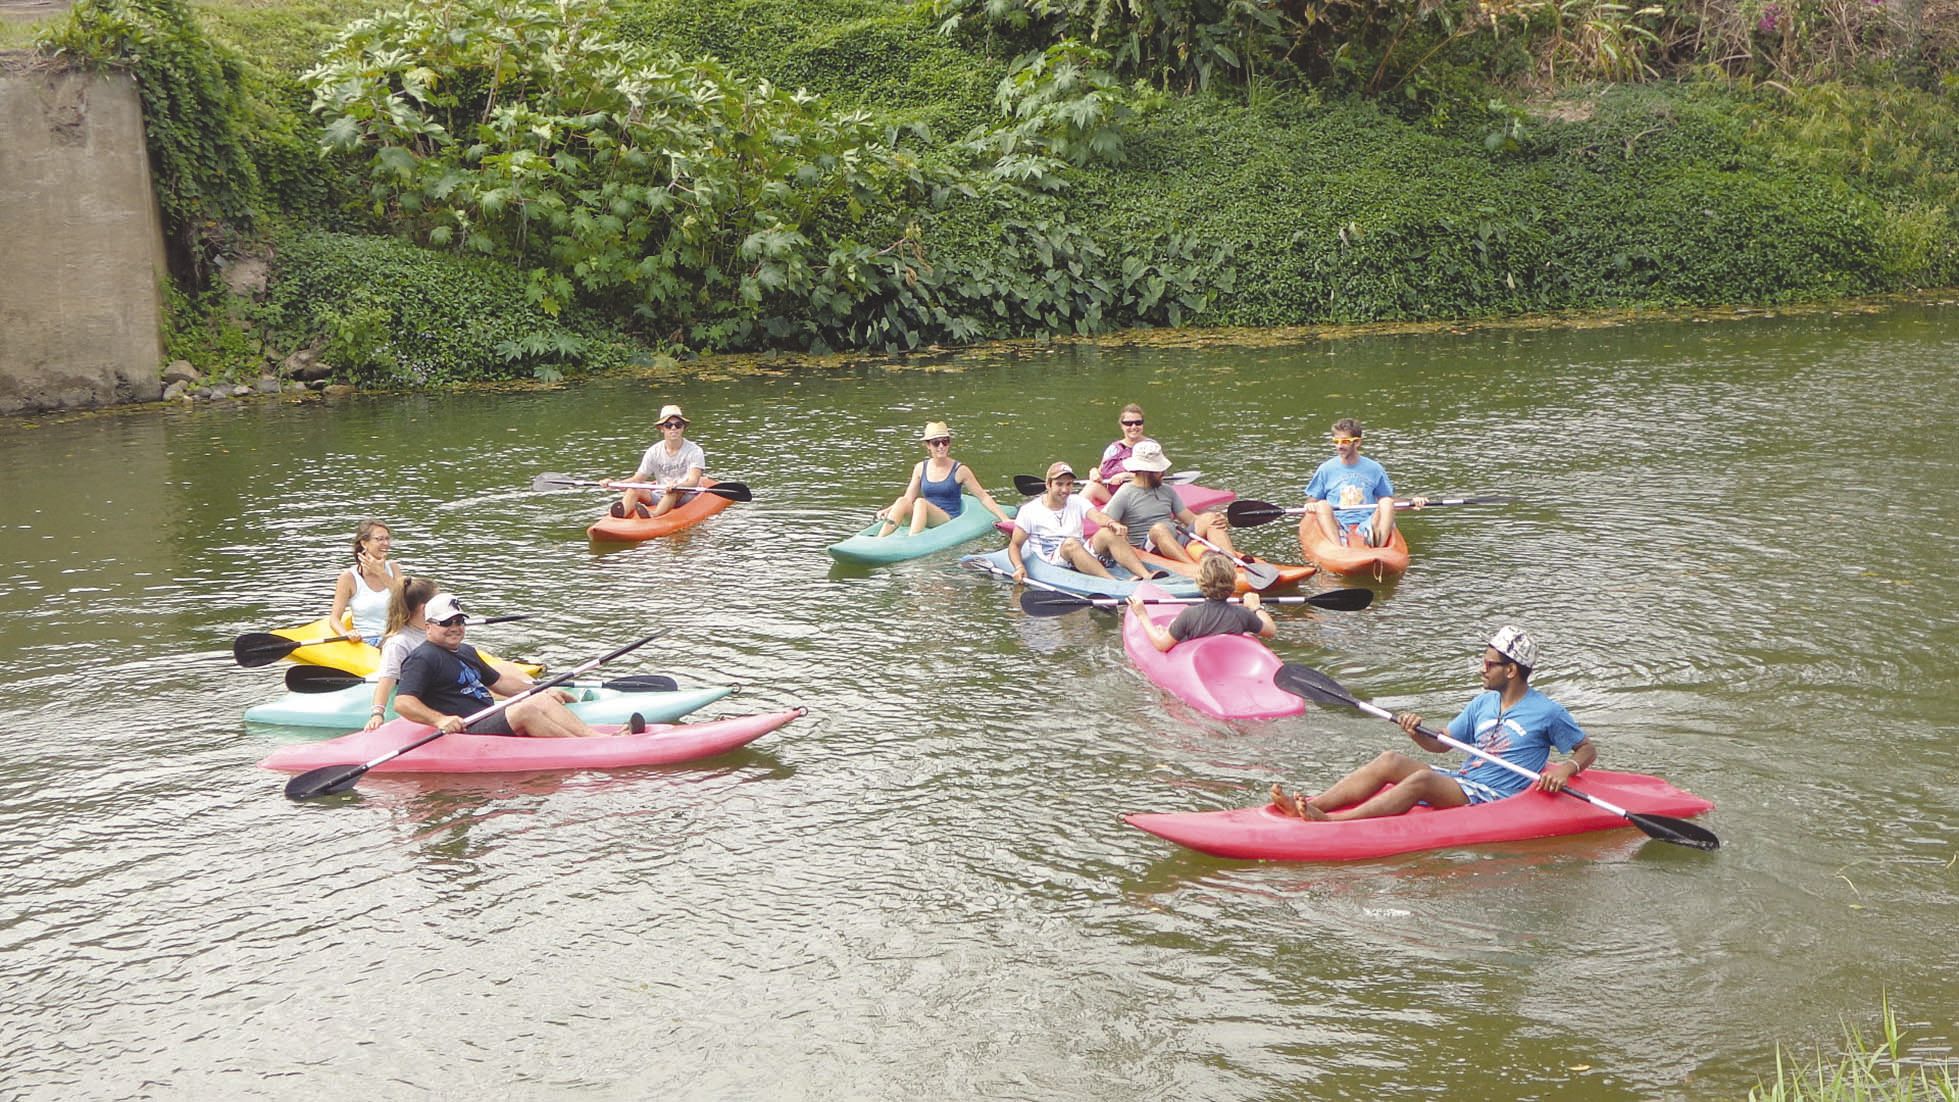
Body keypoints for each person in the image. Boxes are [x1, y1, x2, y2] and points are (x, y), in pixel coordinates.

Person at [1270, 627, 1596, 821]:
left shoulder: (1547, 712)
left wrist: (1566, 769)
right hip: (1466, 781)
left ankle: (1335, 822)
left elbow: (1586, 749)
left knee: (1423, 780)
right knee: (1390, 760)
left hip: (1495, 795)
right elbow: (1442, 744)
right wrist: (1416, 731)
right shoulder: (1482, 703)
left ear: (1510, 671)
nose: (1481, 669)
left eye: (1488, 664)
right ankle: (1312, 805)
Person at [392, 594, 642, 738]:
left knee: (539, 698)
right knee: (526, 710)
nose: (455, 628)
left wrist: (542, 690)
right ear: (429, 627)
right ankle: (589, 748)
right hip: (467, 728)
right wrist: (440, 720)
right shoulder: (423, 657)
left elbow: (500, 682)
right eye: (447, 623)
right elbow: (403, 703)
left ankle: (597, 738)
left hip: (487, 715)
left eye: (459, 621)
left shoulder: (466, 651)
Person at [1091, 440, 1239, 567]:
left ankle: (1232, 562)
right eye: (1158, 470)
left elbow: (1191, 519)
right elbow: (1104, 520)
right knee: (1159, 529)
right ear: (1145, 471)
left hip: (1175, 540)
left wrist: (1216, 520)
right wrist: (1115, 526)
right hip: (1147, 550)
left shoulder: (1167, 490)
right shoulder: (1125, 493)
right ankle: (1193, 568)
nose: (1163, 473)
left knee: (1210, 518)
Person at [1008, 461, 1156, 583]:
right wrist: (1019, 567)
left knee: (1107, 532)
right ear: (1048, 484)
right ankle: (1112, 582)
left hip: (1079, 549)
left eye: (1069, 484)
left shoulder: (1077, 501)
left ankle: (1146, 575)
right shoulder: (1029, 510)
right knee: (1071, 543)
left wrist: (1112, 524)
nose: (1065, 490)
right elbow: (1015, 545)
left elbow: (1097, 517)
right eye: (1059, 484)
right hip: (1052, 558)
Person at [1301, 417, 1425, 548]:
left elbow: (1388, 501)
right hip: (1337, 522)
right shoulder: (1326, 469)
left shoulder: (1375, 469)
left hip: (1368, 521)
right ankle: (1338, 547)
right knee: (1322, 504)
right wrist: (1310, 505)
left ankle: (1379, 545)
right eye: (1336, 441)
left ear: (1357, 442)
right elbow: (1312, 500)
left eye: (1345, 441)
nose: (1339, 446)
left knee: (1386, 502)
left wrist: (1411, 502)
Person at [874, 421, 1014, 536]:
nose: (941, 446)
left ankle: (913, 539)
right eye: (936, 442)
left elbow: (983, 497)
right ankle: (880, 539)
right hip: (922, 513)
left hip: (946, 518)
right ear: (928, 445)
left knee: (921, 502)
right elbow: (908, 498)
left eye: (945, 442)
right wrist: (889, 510)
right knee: (902, 501)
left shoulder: (960, 470)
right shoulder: (920, 468)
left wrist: (1005, 519)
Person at [1128, 552, 1275, 652]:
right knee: (1171, 626)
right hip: (1226, 660)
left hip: (1199, 661)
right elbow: (1270, 631)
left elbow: (1161, 645)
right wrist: (1256, 607)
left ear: (1200, 582)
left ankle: (1167, 630)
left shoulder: (1189, 615)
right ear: (1232, 582)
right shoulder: (1243, 614)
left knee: (1168, 628)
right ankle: (1168, 630)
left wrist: (1142, 615)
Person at [363, 575, 438, 730]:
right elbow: (387, 679)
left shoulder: (434, 630)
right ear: (424, 609)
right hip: (416, 693)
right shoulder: (399, 643)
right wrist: (377, 713)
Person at [611, 404, 706, 519]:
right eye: (668, 425)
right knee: (634, 488)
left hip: (685, 495)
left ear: (683, 427)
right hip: (661, 494)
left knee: (674, 490)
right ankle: (621, 515)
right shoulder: (653, 451)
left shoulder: (695, 451)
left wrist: (677, 485)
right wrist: (614, 484)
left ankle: (653, 515)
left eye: (678, 425)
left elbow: (693, 481)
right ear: (662, 428)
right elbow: (637, 479)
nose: (673, 428)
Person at [328, 519, 402, 646]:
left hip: (396, 636)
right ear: (364, 543)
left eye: (387, 539)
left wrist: (381, 573)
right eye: (379, 539)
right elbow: (334, 619)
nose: (385, 543)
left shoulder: (394, 568)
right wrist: (346, 633)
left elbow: (406, 601)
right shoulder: (348, 577)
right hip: (369, 640)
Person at [1084, 403, 1153, 506]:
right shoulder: (1113, 448)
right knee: (1093, 486)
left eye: (1138, 422)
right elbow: (1100, 472)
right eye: (1128, 423)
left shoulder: (1151, 447)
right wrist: (1094, 472)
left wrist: (1126, 475)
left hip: (1140, 498)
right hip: (1114, 497)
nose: (1134, 427)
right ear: (1122, 425)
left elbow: (1156, 478)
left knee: (1093, 488)